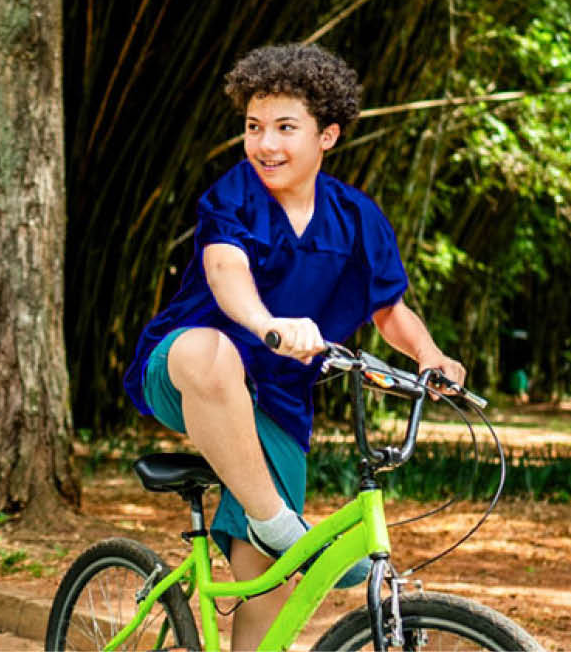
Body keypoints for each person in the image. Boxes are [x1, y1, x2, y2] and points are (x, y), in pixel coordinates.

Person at [122, 43, 466, 649]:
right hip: (185, 369)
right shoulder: (234, 195)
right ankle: (279, 522)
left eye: (286, 127)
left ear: (327, 136)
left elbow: (389, 309)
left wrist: (430, 356)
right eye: (254, 127)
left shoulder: (357, 218)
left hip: (276, 401)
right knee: (213, 355)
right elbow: (227, 273)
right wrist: (268, 325)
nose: (265, 144)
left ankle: (273, 537)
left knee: (269, 592)